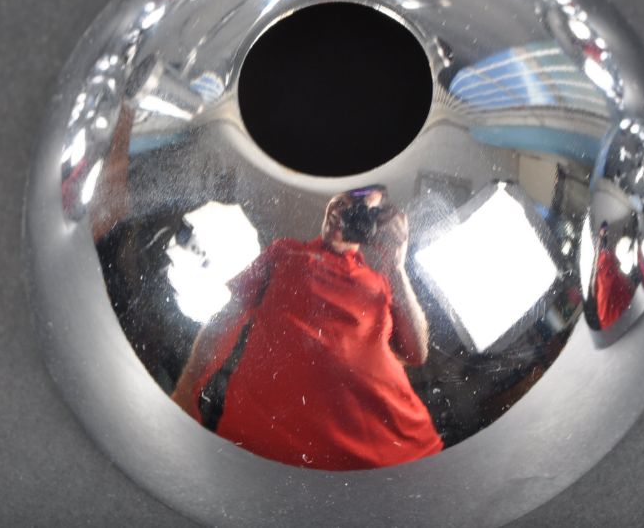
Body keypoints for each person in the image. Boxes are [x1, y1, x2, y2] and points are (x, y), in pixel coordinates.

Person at [172, 187, 443, 470]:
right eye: (340, 201)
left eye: (358, 209)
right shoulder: (285, 252)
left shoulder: (381, 284)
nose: (342, 210)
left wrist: (396, 268)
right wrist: (187, 388)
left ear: (373, 225)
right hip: (265, 449)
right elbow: (229, 316)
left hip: (395, 453)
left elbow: (416, 353)